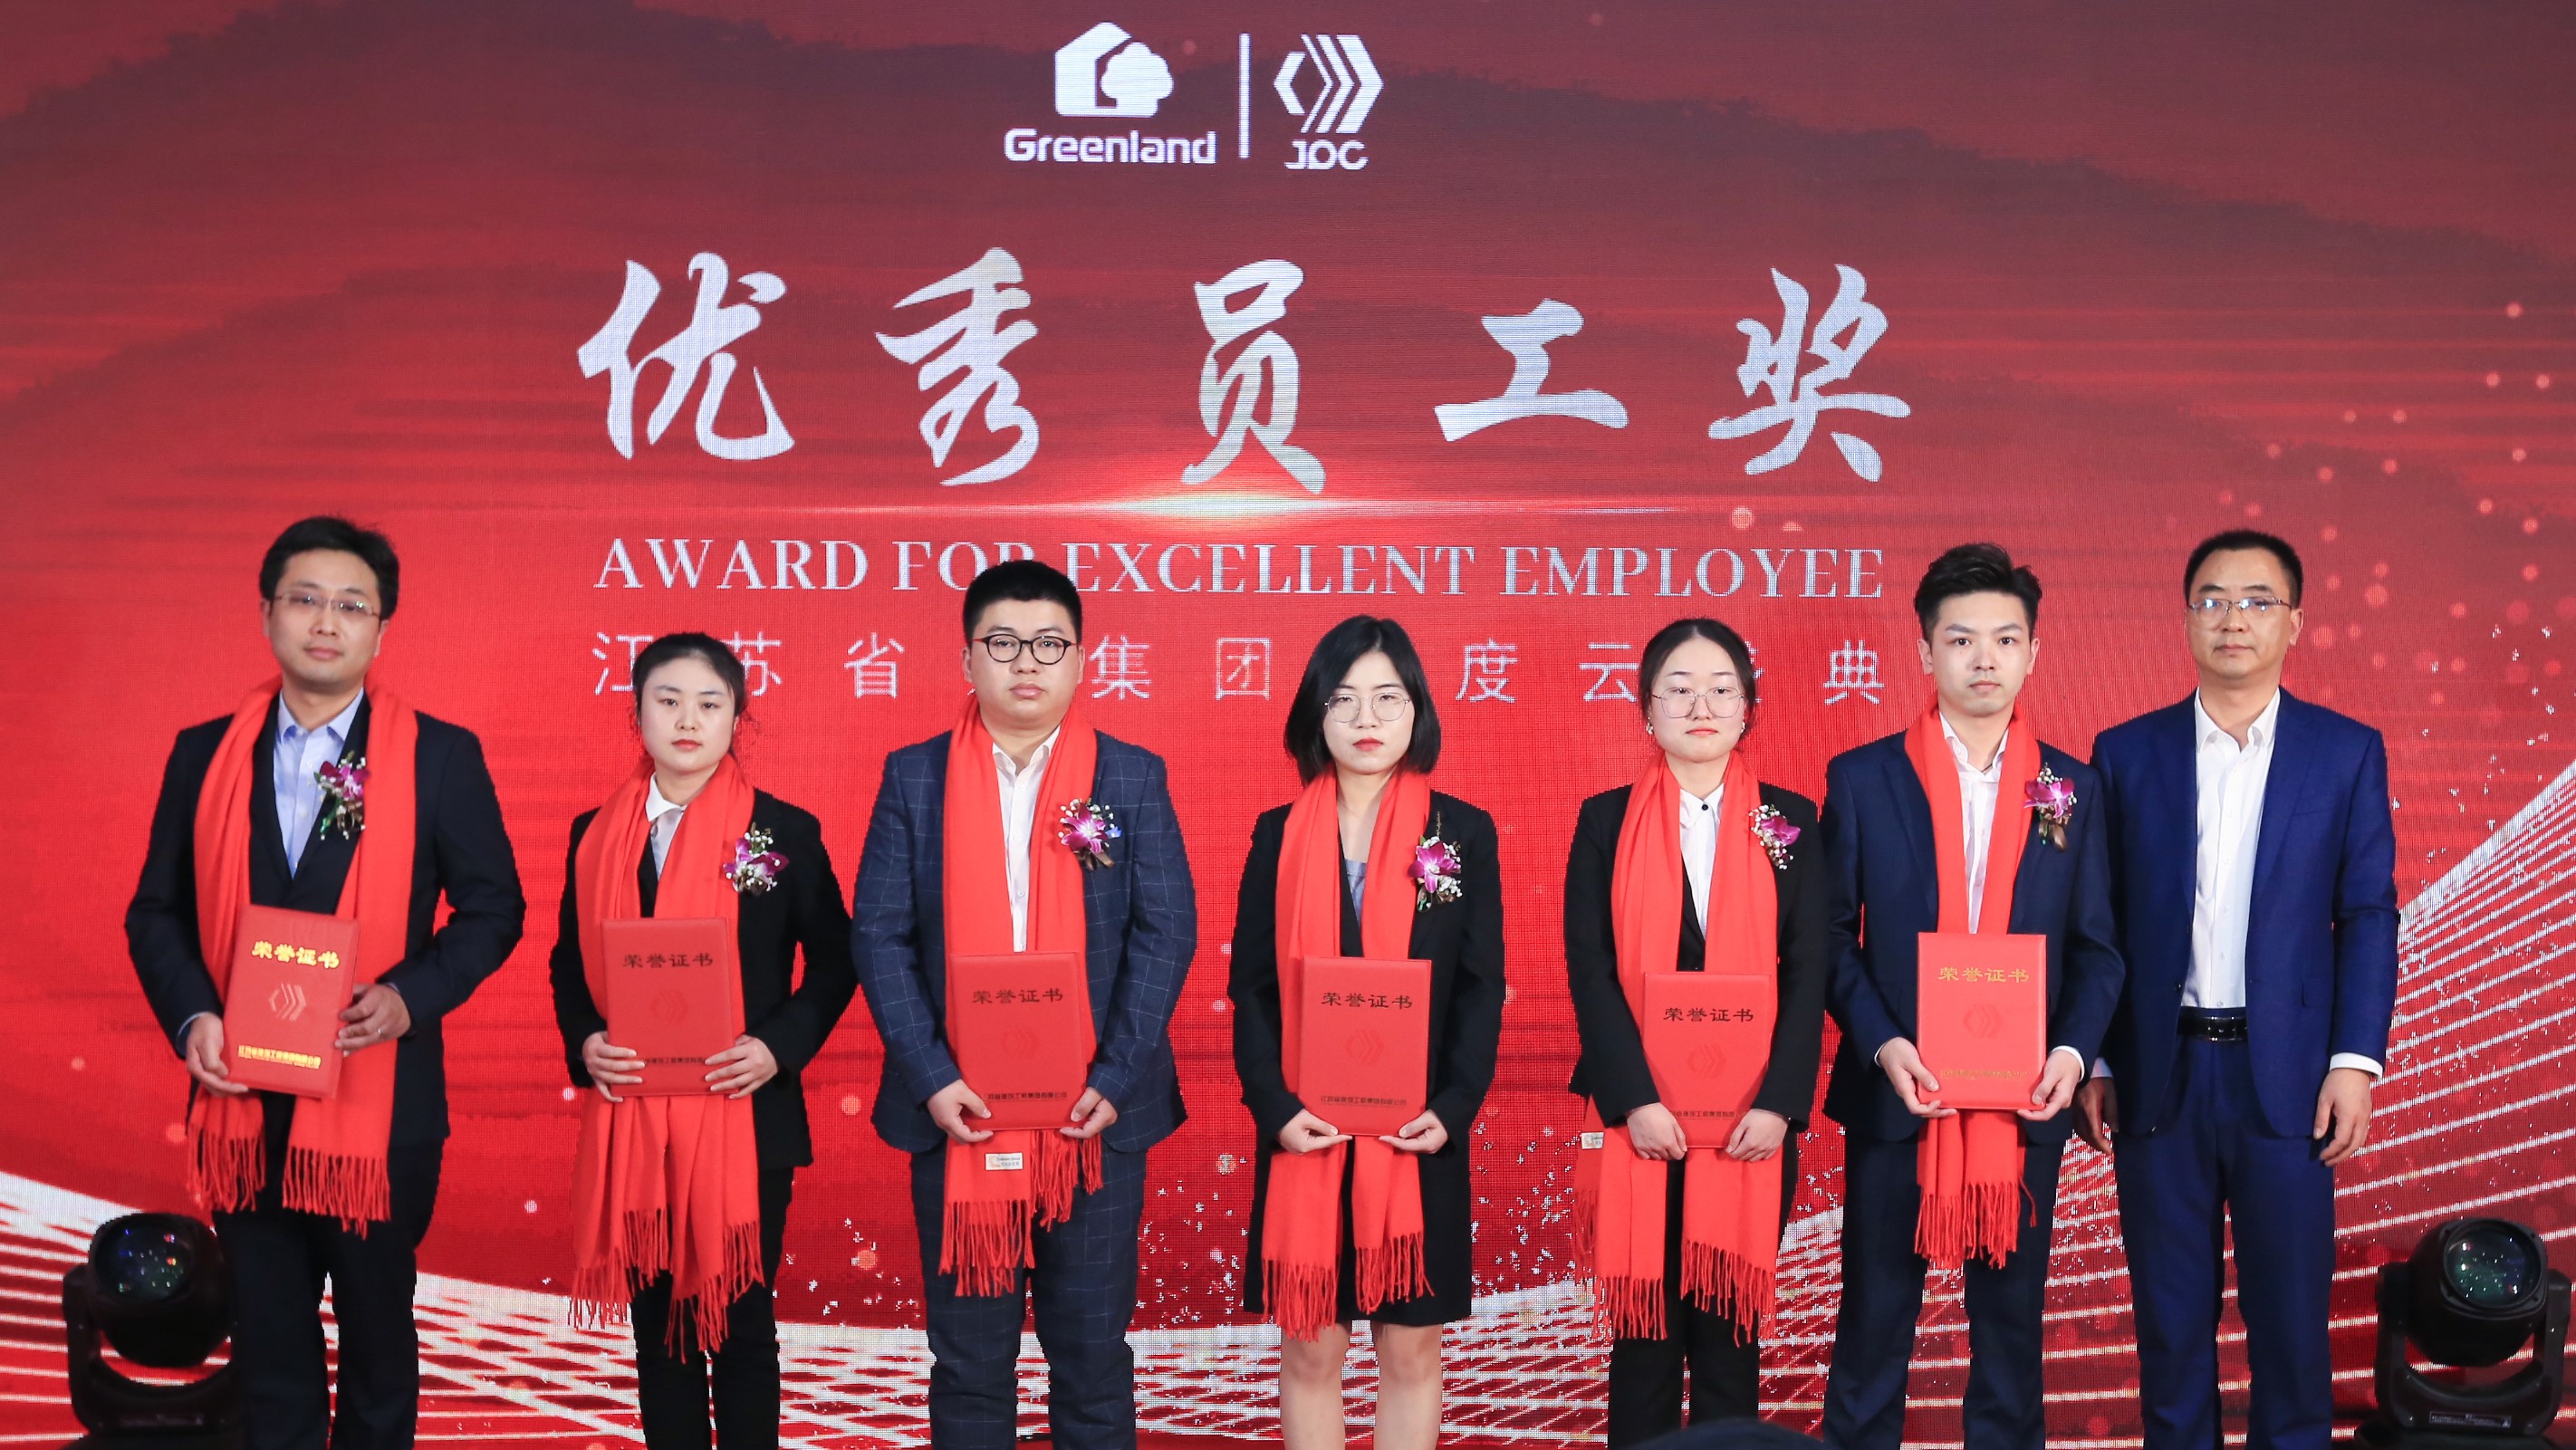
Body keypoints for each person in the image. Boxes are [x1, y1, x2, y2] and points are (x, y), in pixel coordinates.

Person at [124, 515, 525, 1450]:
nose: (325, 621)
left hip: (377, 1107)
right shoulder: (204, 753)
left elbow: (494, 908)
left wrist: (409, 997)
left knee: (378, 1344)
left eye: (352, 605)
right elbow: (155, 911)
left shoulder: (438, 754)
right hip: (242, 1099)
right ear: (267, 613)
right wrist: (192, 1015)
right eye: (305, 598)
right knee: (269, 1345)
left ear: (381, 630)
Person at [851, 559, 1197, 1450]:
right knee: (970, 1362)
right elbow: (879, 934)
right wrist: (931, 1076)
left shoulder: (1130, 775)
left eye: (1049, 643)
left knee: (1091, 1359)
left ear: (1082, 660)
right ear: (967, 659)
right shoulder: (914, 777)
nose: (1026, 662)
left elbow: (1166, 930)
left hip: (1094, 1118)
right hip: (957, 1112)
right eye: (1002, 643)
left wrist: (1116, 1075)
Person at [2080, 530, 2397, 1450]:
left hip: (2288, 1078)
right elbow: (2097, 920)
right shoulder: (2126, 753)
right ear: (2186, 619)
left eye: (2258, 600)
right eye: (2212, 599)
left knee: (2291, 1325)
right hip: (2159, 1074)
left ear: (2295, 622)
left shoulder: (2343, 751)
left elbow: (2367, 913)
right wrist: (2097, 1055)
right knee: (2170, 1323)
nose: (2233, 618)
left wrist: (2355, 1059)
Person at [1816, 543, 2123, 1450]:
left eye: (2004, 639)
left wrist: (2070, 1054)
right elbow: (1828, 936)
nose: (1983, 659)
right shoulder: (1865, 778)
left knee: (2011, 1335)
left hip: (2025, 1098)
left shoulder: (2070, 788)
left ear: (2032, 652)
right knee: (1872, 1323)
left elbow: (2099, 948)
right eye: (1960, 639)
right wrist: (1884, 1042)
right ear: (1925, 651)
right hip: (1897, 1092)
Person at [548, 633, 856, 1450]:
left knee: (742, 1326)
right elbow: (569, 963)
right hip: (635, 1118)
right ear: (637, 713)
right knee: (660, 1335)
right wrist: (586, 1040)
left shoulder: (782, 830)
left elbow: (837, 959)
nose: (688, 720)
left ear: (737, 717)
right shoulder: (593, 833)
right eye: (669, 700)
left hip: (746, 1116)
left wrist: (777, 1046)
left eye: (709, 703)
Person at [1229, 616, 1507, 1450]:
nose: (1365, 718)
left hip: (1416, 1133)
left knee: (1410, 1350)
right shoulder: (1278, 833)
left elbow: (1479, 988)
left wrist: (1452, 1109)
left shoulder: (1461, 830)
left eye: (1388, 697)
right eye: (1343, 699)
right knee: (1310, 1349)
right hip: (1304, 1132)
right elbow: (1252, 990)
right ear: (1314, 714)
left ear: (1417, 709)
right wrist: (1276, 1109)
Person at [1564, 619, 1827, 1447]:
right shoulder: (1605, 820)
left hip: (1751, 1124)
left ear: (1749, 706)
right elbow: (1591, 971)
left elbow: (1809, 971)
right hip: (1640, 1124)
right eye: (1678, 689)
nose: (1700, 705)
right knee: (1643, 1344)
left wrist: (1780, 1104)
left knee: (1727, 1343)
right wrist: (1633, 1100)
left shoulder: (1790, 819)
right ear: (1647, 709)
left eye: (1720, 688)